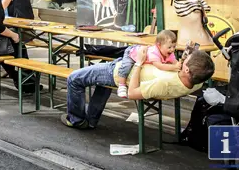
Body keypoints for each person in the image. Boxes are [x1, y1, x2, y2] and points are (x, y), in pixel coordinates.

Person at [62, 48, 214, 129]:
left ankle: (76, 120)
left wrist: (139, 63)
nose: (182, 60)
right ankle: (92, 120)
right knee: (106, 60)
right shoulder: (197, 81)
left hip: (116, 73)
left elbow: (132, 92)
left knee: (74, 79)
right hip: (123, 67)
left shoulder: (164, 83)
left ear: (187, 71)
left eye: (185, 61)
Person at [115, 30, 179, 98]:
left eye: (174, 47)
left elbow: (175, 61)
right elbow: (160, 66)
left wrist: (179, 65)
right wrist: (174, 67)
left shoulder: (169, 53)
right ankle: (121, 85)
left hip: (142, 59)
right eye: (169, 47)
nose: (172, 50)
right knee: (126, 67)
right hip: (132, 53)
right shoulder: (154, 52)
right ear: (159, 45)